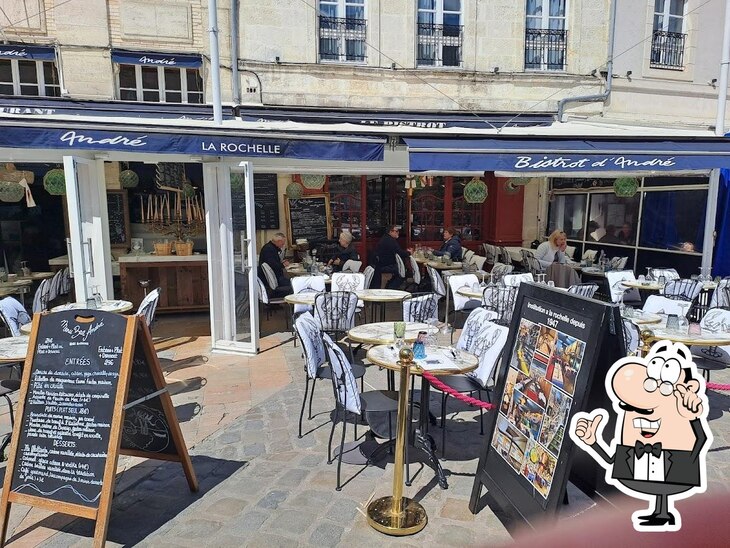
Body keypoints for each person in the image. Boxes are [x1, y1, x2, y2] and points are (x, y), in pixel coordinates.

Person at [371, 225, 410, 289]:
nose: (398, 233)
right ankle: (391, 288)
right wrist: (409, 253)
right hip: (385, 265)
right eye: (396, 231)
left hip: (381, 264)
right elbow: (400, 253)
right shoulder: (390, 241)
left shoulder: (386, 238)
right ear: (390, 232)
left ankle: (389, 286)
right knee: (404, 272)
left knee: (401, 270)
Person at [258, 232, 292, 297]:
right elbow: (273, 265)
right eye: (283, 242)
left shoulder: (269, 247)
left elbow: (272, 262)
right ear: (279, 241)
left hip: (273, 279)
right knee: (294, 284)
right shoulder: (269, 249)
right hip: (274, 280)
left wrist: (281, 263)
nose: (283, 244)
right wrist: (283, 265)